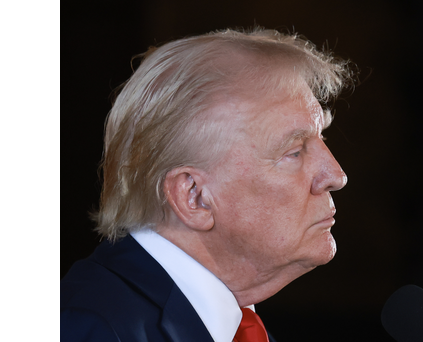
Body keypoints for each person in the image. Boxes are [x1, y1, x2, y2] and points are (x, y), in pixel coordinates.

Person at [60, 28, 354, 342]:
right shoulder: (89, 330)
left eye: (321, 137)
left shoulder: (233, 325)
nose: (336, 175)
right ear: (194, 197)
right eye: (293, 152)